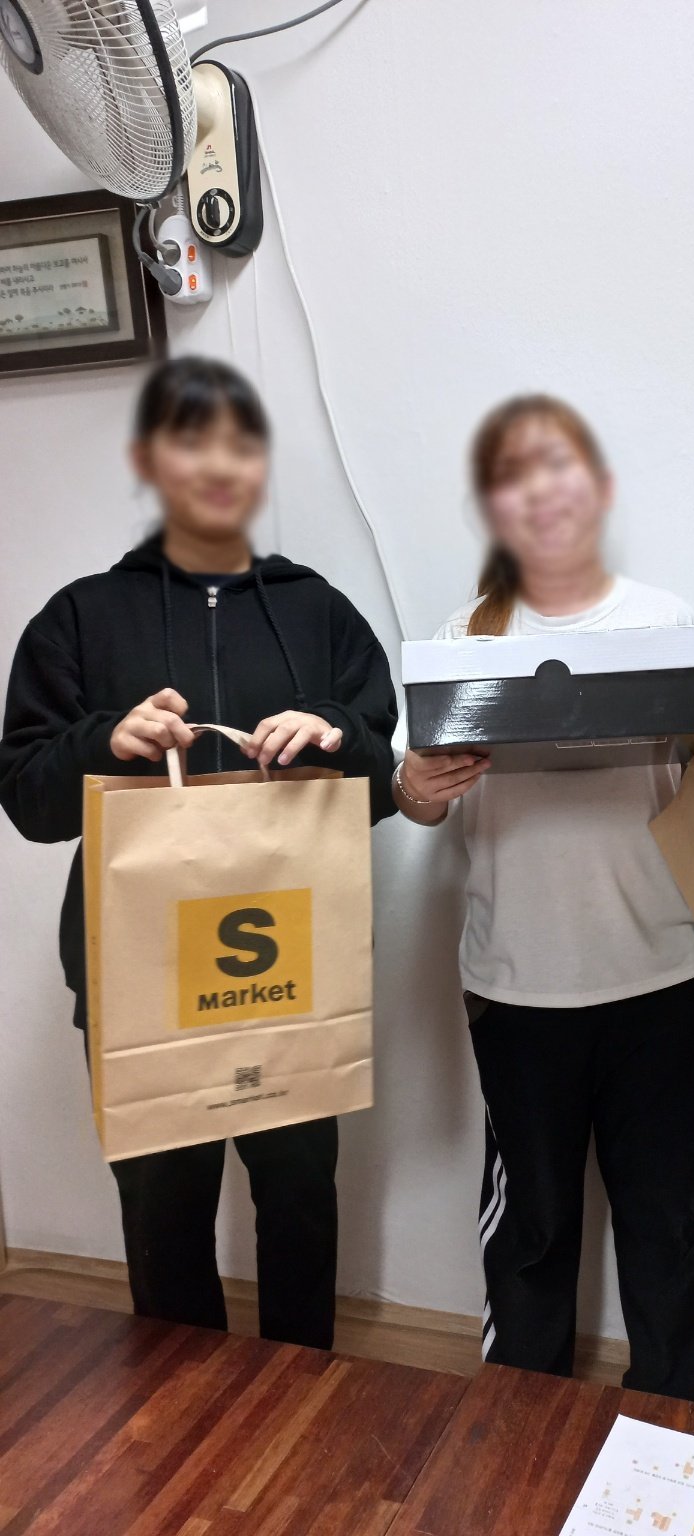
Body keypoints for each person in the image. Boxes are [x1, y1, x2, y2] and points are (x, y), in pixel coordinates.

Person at [0, 355, 399, 1349]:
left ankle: (301, 1385)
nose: (217, 466)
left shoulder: (317, 611)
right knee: (163, 1211)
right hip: (139, 968)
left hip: (288, 962)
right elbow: (27, 800)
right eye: (191, 443)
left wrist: (336, 735)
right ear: (150, 462)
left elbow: (383, 779)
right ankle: (183, 1406)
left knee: (300, 1197)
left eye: (238, 446)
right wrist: (106, 741)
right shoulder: (80, 615)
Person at [395, 395, 694, 1401]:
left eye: (559, 466)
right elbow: (420, 805)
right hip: (519, 989)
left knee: (672, 1221)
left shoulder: (671, 627)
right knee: (532, 1232)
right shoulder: (463, 639)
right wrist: (415, 787)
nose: (540, 492)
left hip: (665, 977)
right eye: (513, 475)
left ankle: (669, 1417)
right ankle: (520, 1425)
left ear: (600, 488)